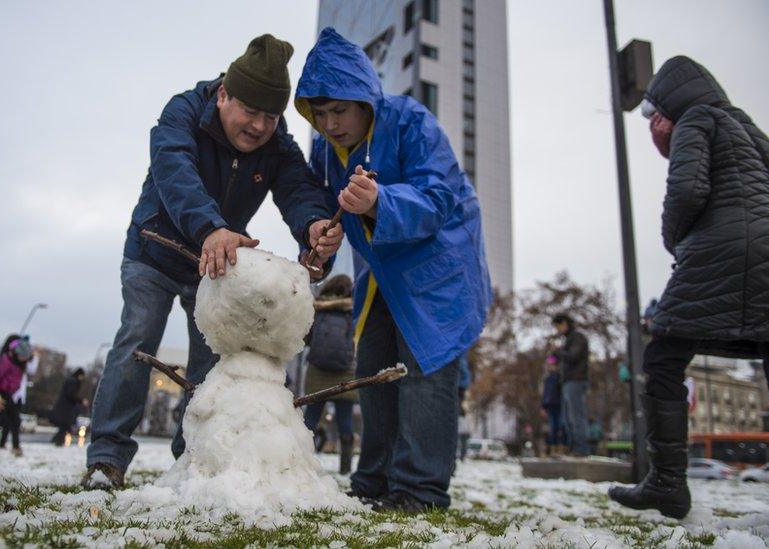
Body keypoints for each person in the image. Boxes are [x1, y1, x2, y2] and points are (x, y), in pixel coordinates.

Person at [83, 33, 342, 488]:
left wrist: (315, 227)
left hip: (214, 267)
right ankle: (106, 457)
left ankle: (195, 463)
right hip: (154, 250)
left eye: (271, 115)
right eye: (250, 111)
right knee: (138, 338)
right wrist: (210, 227)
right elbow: (174, 169)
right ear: (224, 93)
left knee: (209, 364)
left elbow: (299, 191)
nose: (260, 126)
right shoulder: (181, 111)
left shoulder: (277, 146)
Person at [294, 28, 492, 512]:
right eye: (319, 114)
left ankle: (421, 489)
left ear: (366, 100)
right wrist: (319, 233)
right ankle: (375, 480)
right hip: (381, 270)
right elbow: (322, 206)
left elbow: (441, 196)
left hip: (439, 264)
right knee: (375, 368)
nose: (330, 123)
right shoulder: (325, 151)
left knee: (423, 367)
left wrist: (382, 200)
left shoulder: (411, 122)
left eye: (339, 110)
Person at [609, 56, 769, 520]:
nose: (654, 124)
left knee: (662, 359)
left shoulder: (695, 120)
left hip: (722, 250)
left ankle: (666, 483)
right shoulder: (747, 125)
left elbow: (686, 190)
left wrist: (675, 240)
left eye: (654, 113)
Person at [302, 274, 357, 474]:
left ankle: (302, 460)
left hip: (317, 370)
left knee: (311, 419)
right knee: (345, 422)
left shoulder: (318, 308)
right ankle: (345, 468)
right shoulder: (353, 309)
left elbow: (307, 339)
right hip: (346, 371)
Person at [551, 314, 590, 457]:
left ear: (565, 323)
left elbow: (573, 356)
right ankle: (574, 448)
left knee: (576, 416)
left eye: (558, 325)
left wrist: (558, 351)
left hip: (576, 381)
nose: (557, 329)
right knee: (568, 418)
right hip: (568, 382)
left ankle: (581, 449)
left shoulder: (577, 338)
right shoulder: (569, 340)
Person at [50, 368, 89, 446]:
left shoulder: (71, 381)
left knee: (64, 426)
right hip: (65, 408)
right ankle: (58, 441)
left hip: (64, 407)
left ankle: (57, 441)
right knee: (65, 426)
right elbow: (71, 394)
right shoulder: (73, 382)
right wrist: (81, 401)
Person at [540, 354, 564, 457]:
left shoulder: (559, 377)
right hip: (550, 406)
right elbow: (545, 393)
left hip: (559, 405)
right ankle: (553, 448)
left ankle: (562, 447)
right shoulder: (547, 378)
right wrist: (543, 407)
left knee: (560, 426)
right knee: (552, 428)